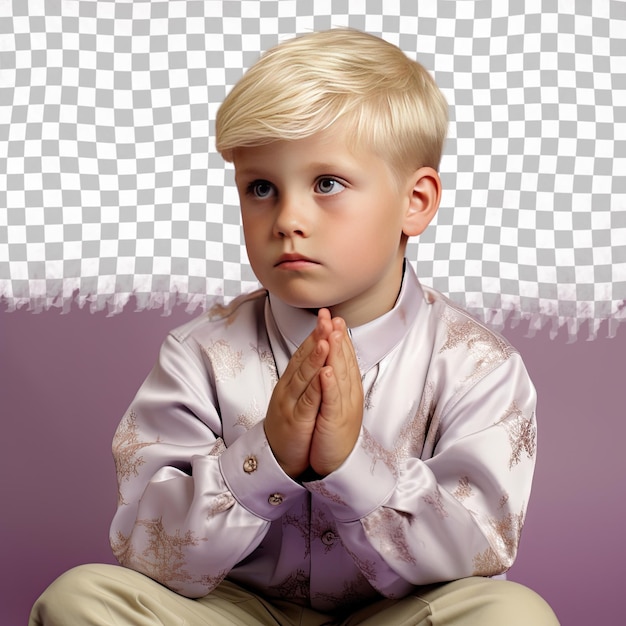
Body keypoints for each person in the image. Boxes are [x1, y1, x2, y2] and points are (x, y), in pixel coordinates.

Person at [30, 28, 559, 625]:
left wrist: (353, 466)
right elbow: (146, 549)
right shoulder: (199, 355)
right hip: (233, 612)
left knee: (513, 615)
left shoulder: (476, 365)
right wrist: (266, 458)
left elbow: (478, 551)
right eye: (261, 188)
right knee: (78, 600)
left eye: (327, 184)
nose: (287, 219)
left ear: (416, 202)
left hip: (399, 614)